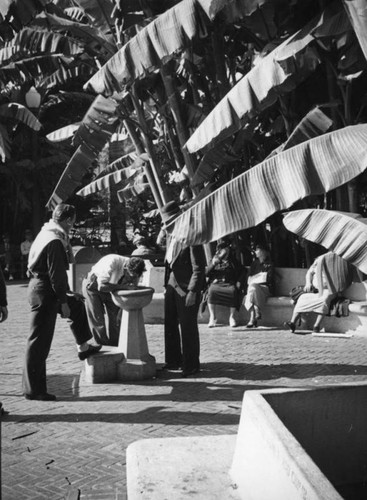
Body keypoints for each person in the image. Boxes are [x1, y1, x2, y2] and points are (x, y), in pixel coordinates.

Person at [23, 204, 101, 401]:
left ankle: (83, 347)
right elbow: (57, 276)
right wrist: (63, 301)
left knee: (77, 304)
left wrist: (68, 297)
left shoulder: (46, 232)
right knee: (39, 342)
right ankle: (34, 390)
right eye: (73, 222)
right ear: (68, 221)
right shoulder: (55, 241)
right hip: (44, 290)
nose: (73, 225)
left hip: (41, 286)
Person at [161, 201, 206, 377]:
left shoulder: (192, 238)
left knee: (188, 327)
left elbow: (199, 267)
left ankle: (191, 364)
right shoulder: (170, 237)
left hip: (187, 288)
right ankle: (173, 360)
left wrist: (193, 291)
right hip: (172, 286)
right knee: (170, 324)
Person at [285, 251, 358, 334]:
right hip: (315, 290)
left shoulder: (340, 261)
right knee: (302, 298)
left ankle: (316, 326)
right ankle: (292, 323)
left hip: (330, 290)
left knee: (324, 299)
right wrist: (308, 283)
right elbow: (309, 272)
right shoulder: (320, 258)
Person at [82, 255, 146, 346]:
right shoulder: (111, 263)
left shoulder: (135, 268)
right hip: (94, 286)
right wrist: (124, 287)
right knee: (98, 319)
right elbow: (102, 287)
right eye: (130, 276)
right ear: (125, 268)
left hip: (111, 285)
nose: (131, 280)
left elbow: (133, 284)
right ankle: (103, 347)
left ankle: (116, 345)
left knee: (116, 318)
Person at [206, 237, 246, 328]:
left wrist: (239, 281)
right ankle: (212, 317)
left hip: (229, 283)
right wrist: (213, 264)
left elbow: (242, 271)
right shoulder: (215, 259)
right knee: (211, 291)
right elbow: (207, 273)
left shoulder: (232, 261)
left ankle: (231, 317)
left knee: (233, 291)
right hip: (216, 283)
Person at [244, 243, 274, 328]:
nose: (255, 252)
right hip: (253, 288)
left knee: (252, 288)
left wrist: (258, 279)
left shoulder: (269, 264)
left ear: (263, 251)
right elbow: (248, 277)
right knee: (253, 288)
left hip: (265, 289)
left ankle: (253, 316)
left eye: (257, 250)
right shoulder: (254, 264)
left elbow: (269, 279)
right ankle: (254, 314)